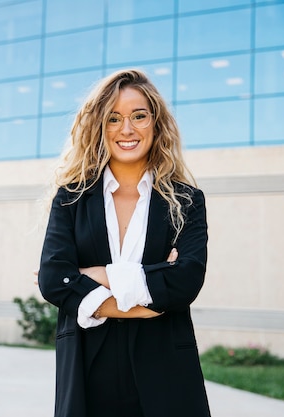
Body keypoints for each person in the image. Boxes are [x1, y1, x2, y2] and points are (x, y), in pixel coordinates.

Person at [38, 68, 211, 417]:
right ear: (99, 127)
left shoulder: (186, 200)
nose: (127, 129)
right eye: (113, 118)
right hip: (87, 367)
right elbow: (54, 279)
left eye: (138, 116)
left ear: (156, 122)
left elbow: (185, 281)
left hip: (166, 371)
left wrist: (95, 275)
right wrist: (148, 295)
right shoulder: (71, 199)